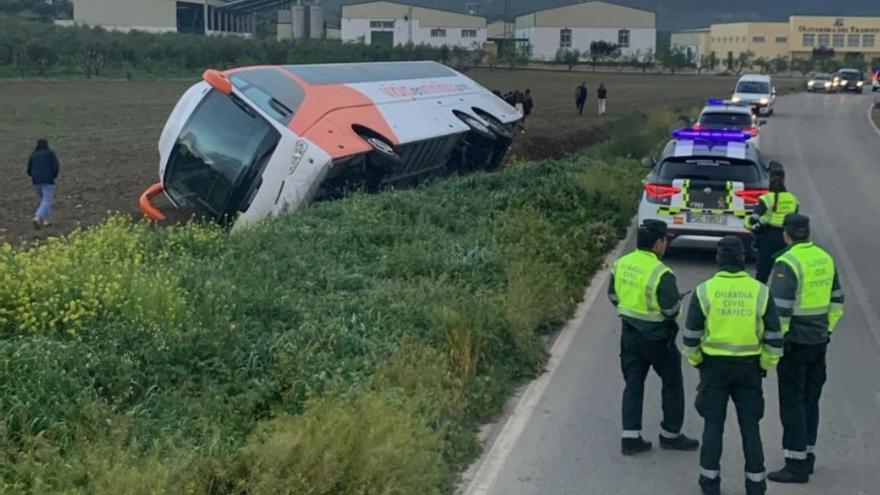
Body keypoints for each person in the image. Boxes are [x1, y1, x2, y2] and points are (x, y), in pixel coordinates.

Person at [684, 237, 783, 495]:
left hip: (713, 369)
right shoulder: (760, 291)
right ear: (742, 259)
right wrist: (765, 364)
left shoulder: (704, 291)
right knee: (750, 428)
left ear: (718, 259)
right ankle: (755, 485)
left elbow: (690, 337)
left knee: (713, 427)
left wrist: (698, 362)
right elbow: (774, 337)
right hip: (749, 369)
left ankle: (710, 484)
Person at [608, 219, 700, 456]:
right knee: (672, 383)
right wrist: (676, 304)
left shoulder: (621, 264)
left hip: (629, 336)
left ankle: (630, 437)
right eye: (664, 240)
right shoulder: (662, 273)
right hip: (659, 339)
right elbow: (670, 310)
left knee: (633, 384)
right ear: (658, 243)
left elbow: (613, 295)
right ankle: (670, 434)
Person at [766, 214, 844, 484]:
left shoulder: (787, 263)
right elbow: (837, 300)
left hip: (795, 343)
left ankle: (795, 464)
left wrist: (777, 343)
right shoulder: (824, 258)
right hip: (819, 341)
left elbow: (780, 310)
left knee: (793, 403)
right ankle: (808, 456)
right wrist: (827, 330)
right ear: (807, 232)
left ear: (786, 234)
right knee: (811, 400)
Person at [745, 162, 799, 283]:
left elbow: (752, 221)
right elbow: (796, 219)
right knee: (785, 272)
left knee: (762, 273)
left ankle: (762, 297)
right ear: (784, 179)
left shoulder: (765, 199)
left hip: (768, 239)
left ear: (769, 179)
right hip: (787, 240)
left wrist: (753, 225)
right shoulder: (793, 199)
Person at [27, 138, 60, 229]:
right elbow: (56, 166)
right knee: (47, 201)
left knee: (44, 201)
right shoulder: (50, 153)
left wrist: (34, 177)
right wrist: (54, 175)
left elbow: (29, 170)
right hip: (48, 180)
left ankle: (46, 221)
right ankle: (37, 217)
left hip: (36, 182)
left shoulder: (33, 155)